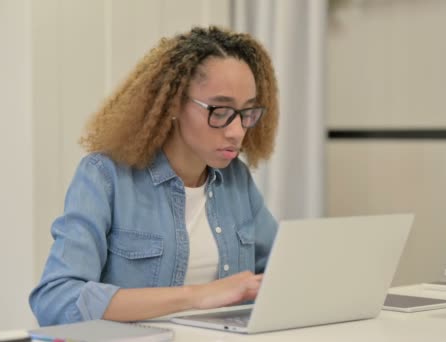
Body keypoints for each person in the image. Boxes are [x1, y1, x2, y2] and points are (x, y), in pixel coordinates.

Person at [29, 26, 279, 326]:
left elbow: (280, 275)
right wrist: (197, 296)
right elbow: (56, 298)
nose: (237, 131)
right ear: (174, 102)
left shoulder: (236, 181)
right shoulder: (106, 176)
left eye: (247, 113)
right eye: (221, 110)